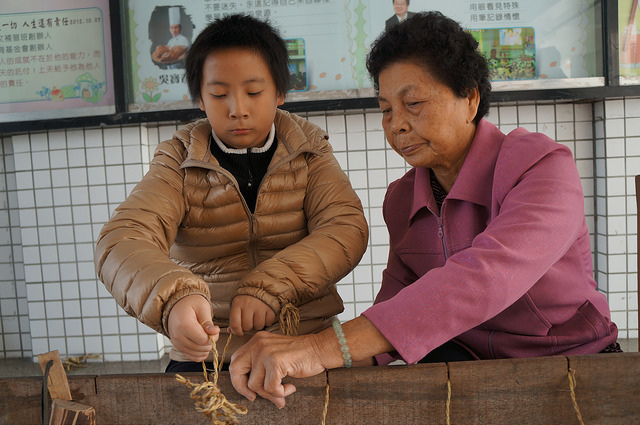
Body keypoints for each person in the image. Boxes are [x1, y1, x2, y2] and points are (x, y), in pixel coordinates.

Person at [228, 11, 620, 408]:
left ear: (470, 99)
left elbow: (485, 278)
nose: (396, 125)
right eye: (386, 109)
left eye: (413, 103)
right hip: (468, 377)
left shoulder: (541, 167)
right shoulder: (402, 200)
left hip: (572, 368)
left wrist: (321, 348)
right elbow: (392, 315)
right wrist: (292, 353)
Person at [94, 14, 368, 373]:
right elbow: (123, 238)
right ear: (200, 98)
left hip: (303, 345)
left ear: (280, 93)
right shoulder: (178, 160)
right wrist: (173, 298)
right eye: (219, 94)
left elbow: (345, 228)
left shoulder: (310, 149)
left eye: (253, 92)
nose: (238, 110)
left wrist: (271, 287)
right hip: (210, 352)